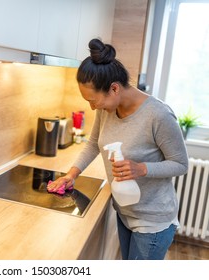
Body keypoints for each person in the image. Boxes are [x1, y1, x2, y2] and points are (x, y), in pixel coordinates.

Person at [47, 38, 188, 260]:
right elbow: (94, 143)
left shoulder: (158, 115)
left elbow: (180, 164)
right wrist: (72, 174)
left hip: (152, 221)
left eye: (93, 100)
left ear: (114, 88)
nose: (92, 107)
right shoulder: (107, 109)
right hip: (124, 211)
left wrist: (141, 168)